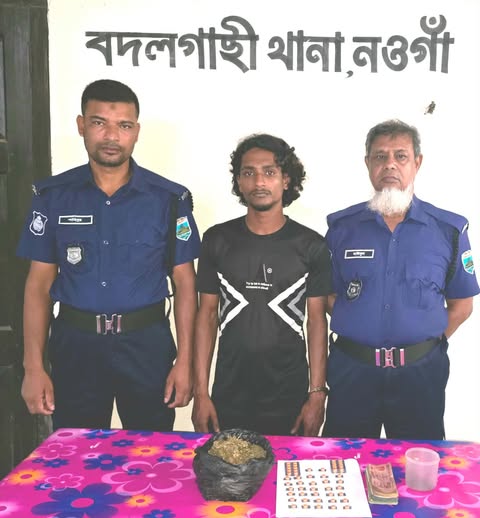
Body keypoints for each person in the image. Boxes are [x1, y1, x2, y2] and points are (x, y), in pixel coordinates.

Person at [16, 79, 200, 431]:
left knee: (149, 450)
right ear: (81, 125)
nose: (112, 136)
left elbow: (185, 284)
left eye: (124, 126)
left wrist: (185, 362)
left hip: (146, 344)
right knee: (78, 449)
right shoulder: (53, 197)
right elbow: (38, 285)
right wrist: (33, 366)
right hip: (76, 343)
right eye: (99, 123)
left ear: (136, 132)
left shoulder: (168, 199)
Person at [323, 119, 479, 440]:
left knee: (418, 462)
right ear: (367, 164)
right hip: (352, 371)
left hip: (420, 375)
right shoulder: (342, 229)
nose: (390, 164)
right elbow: (328, 296)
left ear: (417, 163)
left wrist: (422, 345)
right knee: (344, 459)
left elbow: (462, 305)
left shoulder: (448, 231)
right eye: (380, 156)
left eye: (400, 156)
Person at [192, 133, 332, 436]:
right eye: (249, 173)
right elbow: (206, 315)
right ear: (239, 182)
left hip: (290, 395)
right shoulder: (216, 240)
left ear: (286, 180)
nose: (259, 182)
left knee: (288, 466)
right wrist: (201, 393)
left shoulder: (312, 245)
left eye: (269, 172)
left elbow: (317, 322)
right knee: (225, 468)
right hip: (229, 393)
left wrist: (317, 394)